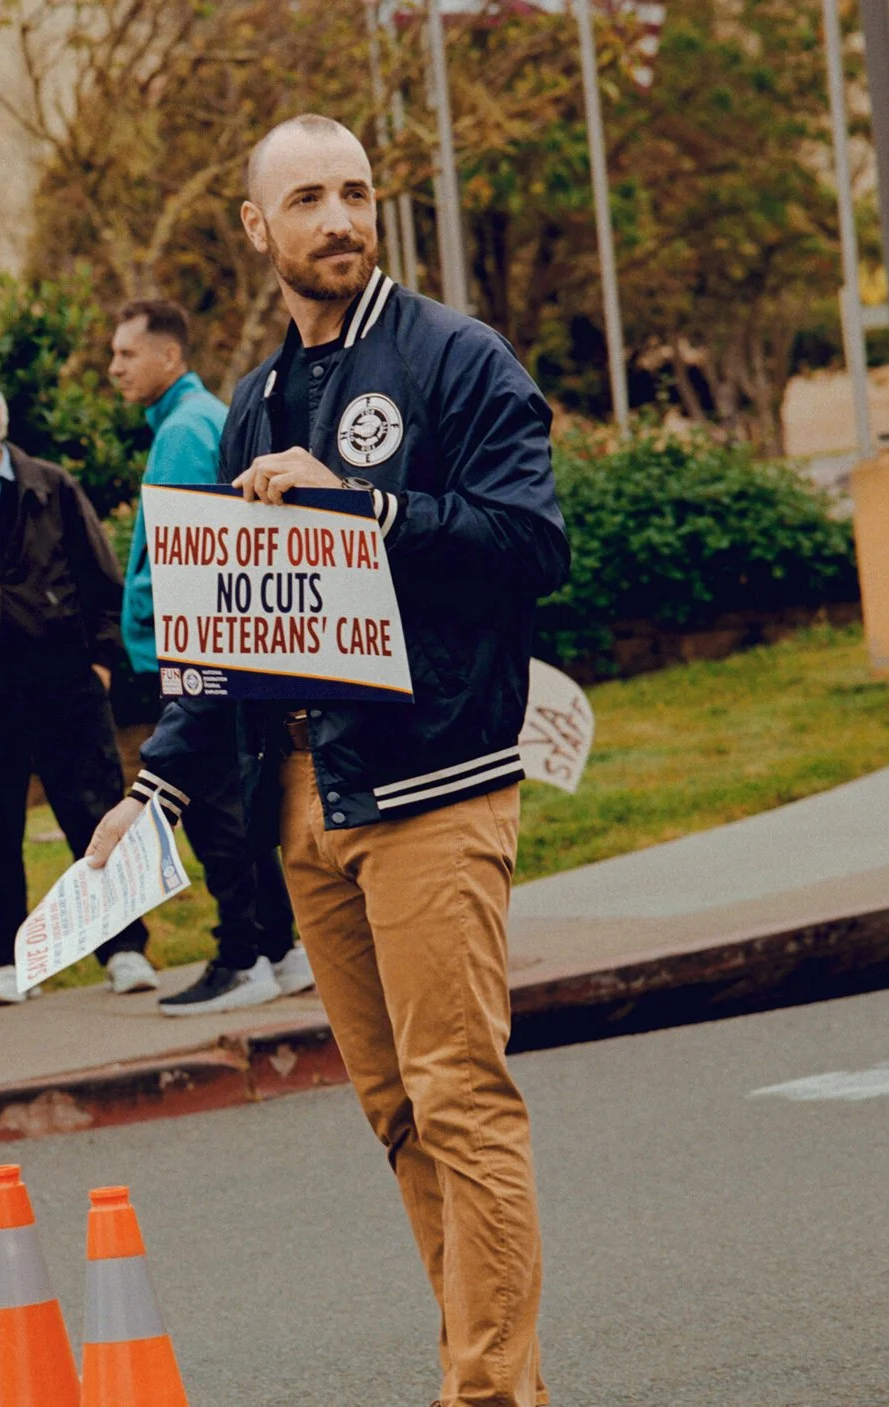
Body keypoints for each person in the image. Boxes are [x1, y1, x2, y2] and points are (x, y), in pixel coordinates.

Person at [88, 115, 569, 1406]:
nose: (339, 217)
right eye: (307, 198)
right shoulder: (253, 400)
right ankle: (488, 1368)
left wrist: (358, 506)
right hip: (305, 801)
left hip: (434, 786)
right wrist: (152, 791)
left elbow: (532, 541)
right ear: (259, 228)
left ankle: (482, 1391)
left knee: (461, 1096)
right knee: (399, 1113)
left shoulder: (455, 359)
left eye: (355, 192)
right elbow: (230, 638)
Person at [0, 361, 156, 1007]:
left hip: (65, 683)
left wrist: (99, 661)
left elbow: (100, 583)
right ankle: (9, 962)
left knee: (93, 817)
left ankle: (124, 950)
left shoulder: (52, 486)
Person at [107, 298, 313, 1015]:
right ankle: (281, 952)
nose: (114, 368)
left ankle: (243, 955)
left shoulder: (187, 428)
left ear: (169, 357)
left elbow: (201, 551)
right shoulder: (185, 423)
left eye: (127, 354)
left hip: (193, 656)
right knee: (230, 800)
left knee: (211, 808)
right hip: (195, 653)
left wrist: (186, 654)